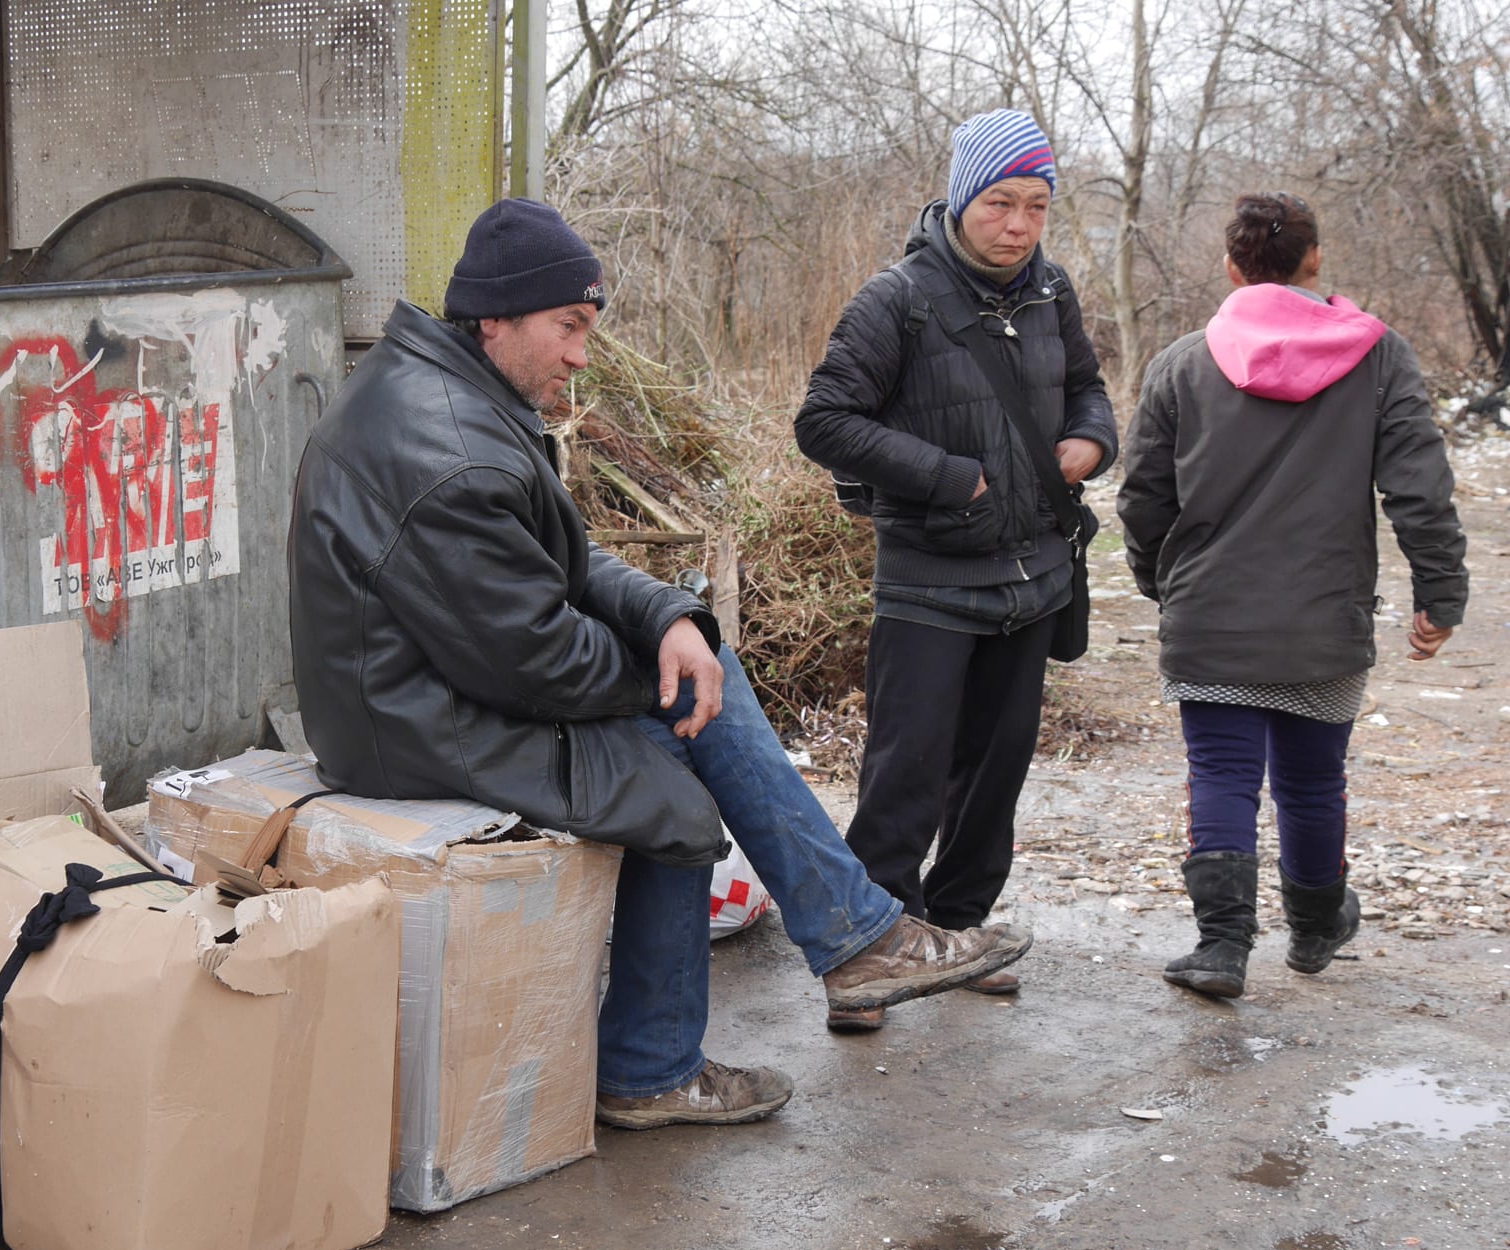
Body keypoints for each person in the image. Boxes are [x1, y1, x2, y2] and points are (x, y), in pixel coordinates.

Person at [289, 197, 1031, 1130]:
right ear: (496, 316)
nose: (579, 356)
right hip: (406, 723)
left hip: (429, 684)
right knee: (675, 789)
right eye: (569, 327)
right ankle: (669, 1057)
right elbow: (533, 660)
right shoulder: (452, 450)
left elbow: (565, 564)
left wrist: (672, 619)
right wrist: (667, 675)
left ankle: (842, 947)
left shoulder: (452, 396)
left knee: (705, 678)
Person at [793, 110, 1118, 1031]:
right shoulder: (896, 298)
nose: (1018, 225)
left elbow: (1090, 388)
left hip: (1034, 577)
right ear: (962, 196)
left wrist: (1091, 439)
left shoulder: (1052, 291)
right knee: (907, 773)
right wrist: (950, 476)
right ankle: (869, 952)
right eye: (1001, 203)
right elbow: (824, 421)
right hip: (931, 579)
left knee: (996, 769)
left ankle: (961, 926)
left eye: (1036, 206)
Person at [1119, 191, 1467, 999]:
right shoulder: (1380, 356)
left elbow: (1143, 497)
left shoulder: (1182, 362)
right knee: (1313, 781)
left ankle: (1221, 947)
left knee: (1221, 771)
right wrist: (1440, 593)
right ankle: (1313, 928)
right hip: (1324, 616)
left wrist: (1158, 581)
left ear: (1235, 269)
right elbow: (1420, 487)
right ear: (1315, 260)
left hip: (1209, 613)